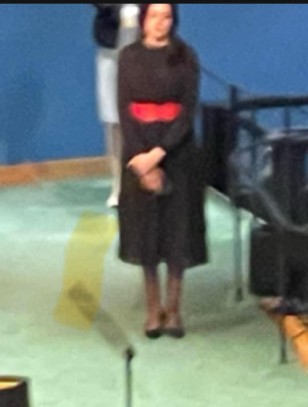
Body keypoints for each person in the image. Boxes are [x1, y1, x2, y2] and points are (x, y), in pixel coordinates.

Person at [116, 3, 206, 339]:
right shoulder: (128, 57)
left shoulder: (187, 56)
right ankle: (153, 309)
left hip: (177, 153)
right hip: (138, 152)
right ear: (143, 19)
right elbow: (125, 110)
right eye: (154, 16)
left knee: (177, 232)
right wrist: (142, 160)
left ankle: (175, 309)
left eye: (166, 17)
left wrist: (158, 154)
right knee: (147, 233)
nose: (160, 23)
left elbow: (187, 112)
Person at [92, 4, 141, 208]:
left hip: (148, 46)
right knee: (113, 121)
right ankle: (118, 186)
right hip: (111, 50)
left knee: (145, 116)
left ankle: (146, 180)